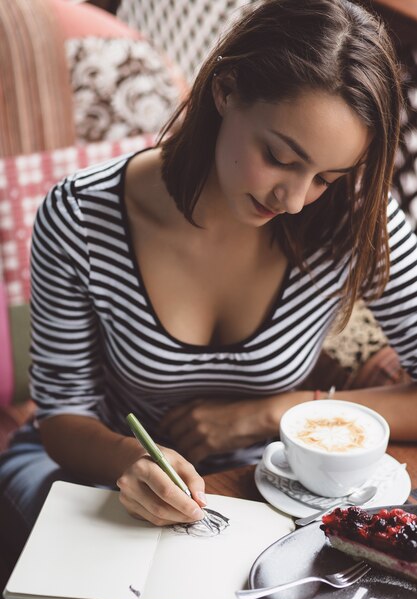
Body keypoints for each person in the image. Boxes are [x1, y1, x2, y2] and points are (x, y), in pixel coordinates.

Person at [1, 0, 417, 565]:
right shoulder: (81, 218)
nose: (293, 201)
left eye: (326, 176)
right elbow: (62, 416)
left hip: (267, 478)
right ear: (226, 91)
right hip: (95, 466)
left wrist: (277, 412)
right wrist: (131, 461)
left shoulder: (353, 219)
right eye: (278, 156)